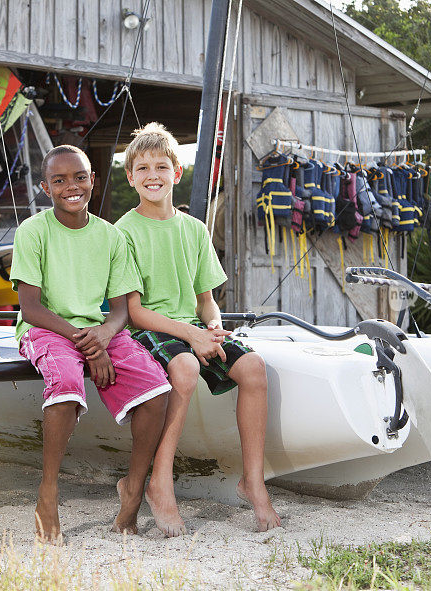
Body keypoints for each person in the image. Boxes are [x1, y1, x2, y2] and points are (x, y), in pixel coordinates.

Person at [115, 123, 281, 536]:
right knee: (186, 368)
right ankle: (159, 481)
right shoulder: (124, 232)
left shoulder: (194, 229)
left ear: (177, 172)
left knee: (254, 367)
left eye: (162, 166)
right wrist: (191, 337)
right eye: (143, 168)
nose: (153, 175)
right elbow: (134, 312)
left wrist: (212, 329)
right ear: (131, 177)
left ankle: (253, 482)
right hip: (150, 329)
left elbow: (206, 300)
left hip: (191, 328)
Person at [10, 145, 170, 543]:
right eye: (60, 180)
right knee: (65, 385)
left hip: (98, 330)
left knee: (155, 389)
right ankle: (48, 493)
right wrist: (87, 346)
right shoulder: (32, 232)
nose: (71, 187)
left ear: (93, 180)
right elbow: (31, 308)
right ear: (45, 188)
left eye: (80, 177)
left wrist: (102, 337)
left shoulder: (111, 237)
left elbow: (120, 310)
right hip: (48, 328)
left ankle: (133, 488)